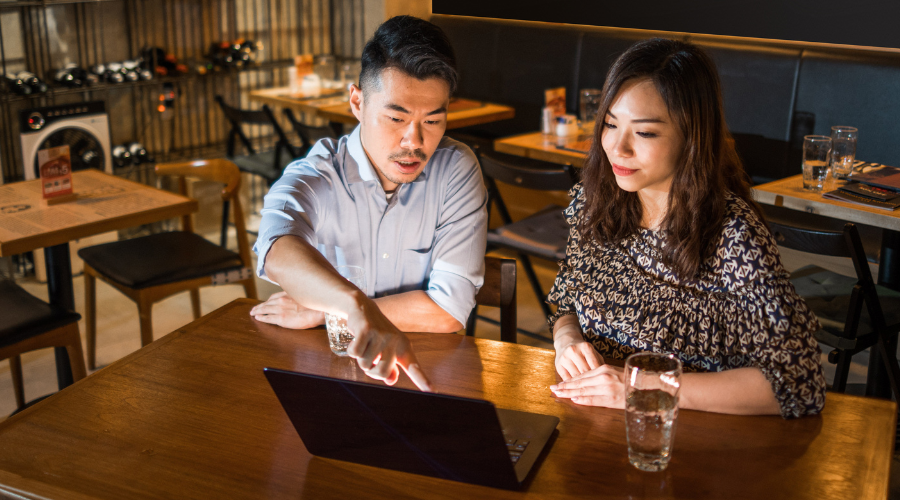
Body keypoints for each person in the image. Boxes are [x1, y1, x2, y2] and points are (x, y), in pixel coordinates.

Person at [547, 38, 826, 418]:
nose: (617, 147)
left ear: (691, 138)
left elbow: (796, 382)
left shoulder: (732, 235)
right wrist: (566, 339)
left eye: (644, 133)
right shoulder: (597, 200)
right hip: (597, 425)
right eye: (610, 124)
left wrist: (638, 386)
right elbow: (567, 297)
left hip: (692, 440)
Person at [249, 16, 487, 392]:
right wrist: (354, 306)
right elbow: (276, 249)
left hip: (428, 375)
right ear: (357, 101)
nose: (415, 141)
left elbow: (447, 313)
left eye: (433, 120)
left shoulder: (455, 168)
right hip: (333, 375)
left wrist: (323, 311)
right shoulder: (318, 173)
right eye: (396, 117)